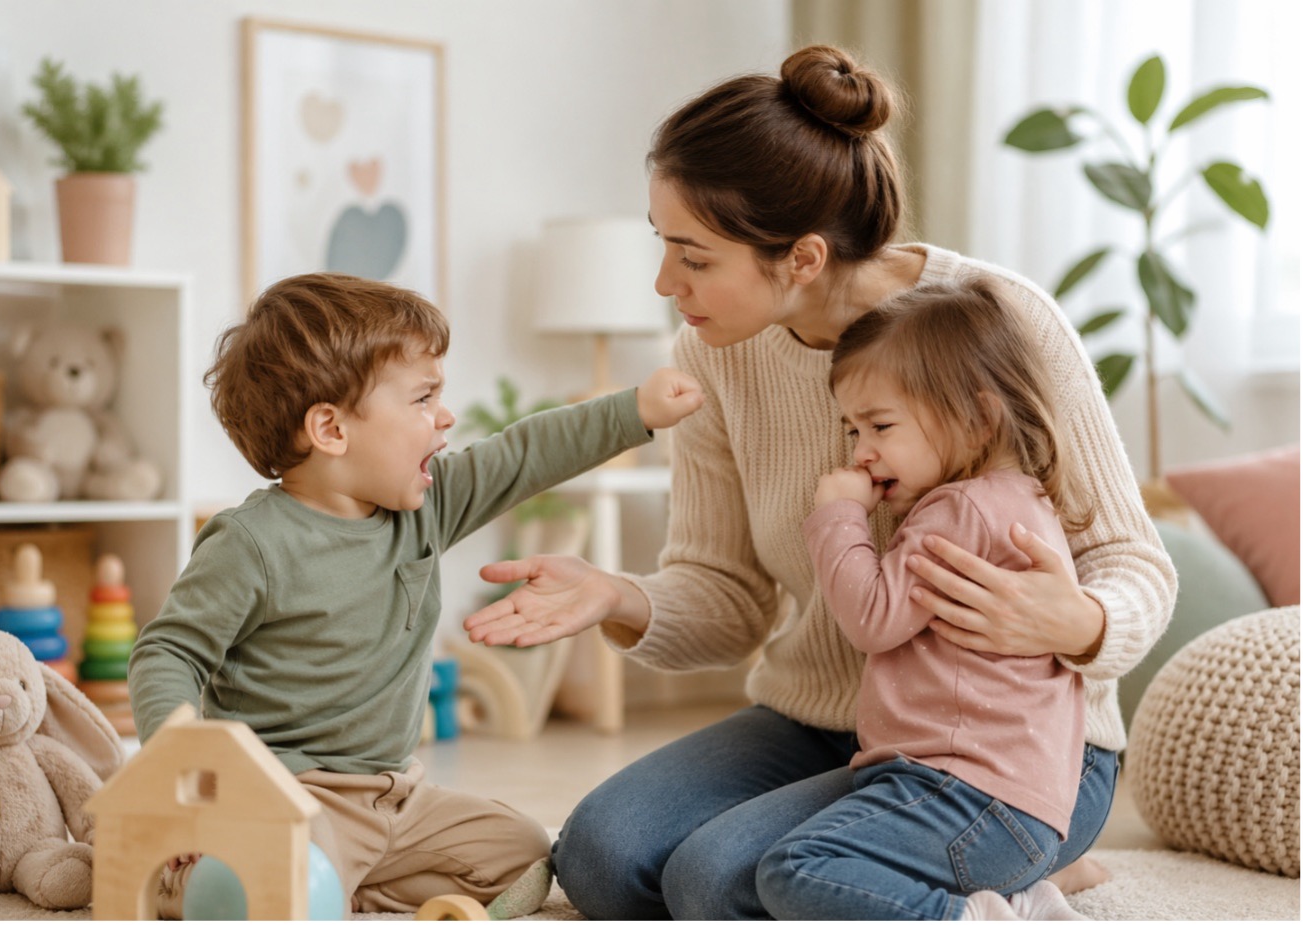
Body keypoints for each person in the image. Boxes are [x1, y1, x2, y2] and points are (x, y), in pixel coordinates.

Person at [462, 44, 1175, 920]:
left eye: (693, 257)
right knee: (602, 858)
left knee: (714, 881)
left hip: (1005, 753)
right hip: (826, 722)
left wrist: (1082, 620)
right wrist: (613, 595)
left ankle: (1002, 877)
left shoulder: (997, 317)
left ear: (799, 256)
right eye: (664, 246)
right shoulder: (713, 357)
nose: (664, 283)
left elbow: (1132, 559)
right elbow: (725, 598)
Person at [127, 272, 703, 917]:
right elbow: (167, 653)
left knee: (522, 848)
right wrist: (186, 781)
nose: (446, 416)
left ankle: (347, 883)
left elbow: (523, 453)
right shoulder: (251, 542)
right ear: (331, 430)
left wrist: (634, 411)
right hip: (285, 794)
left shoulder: (426, 506)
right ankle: (210, 873)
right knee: (279, 872)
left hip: (395, 797)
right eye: (423, 398)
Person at [750, 277, 1094, 921]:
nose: (863, 452)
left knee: (795, 869)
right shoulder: (1019, 498)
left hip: (967, 796)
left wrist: (838, 517)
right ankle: (1022, 897)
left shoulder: (957, 509)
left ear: (979, 417)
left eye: (879, 425)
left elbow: (873, 619)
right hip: (1009, 806)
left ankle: (976, 916)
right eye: (853, 430)